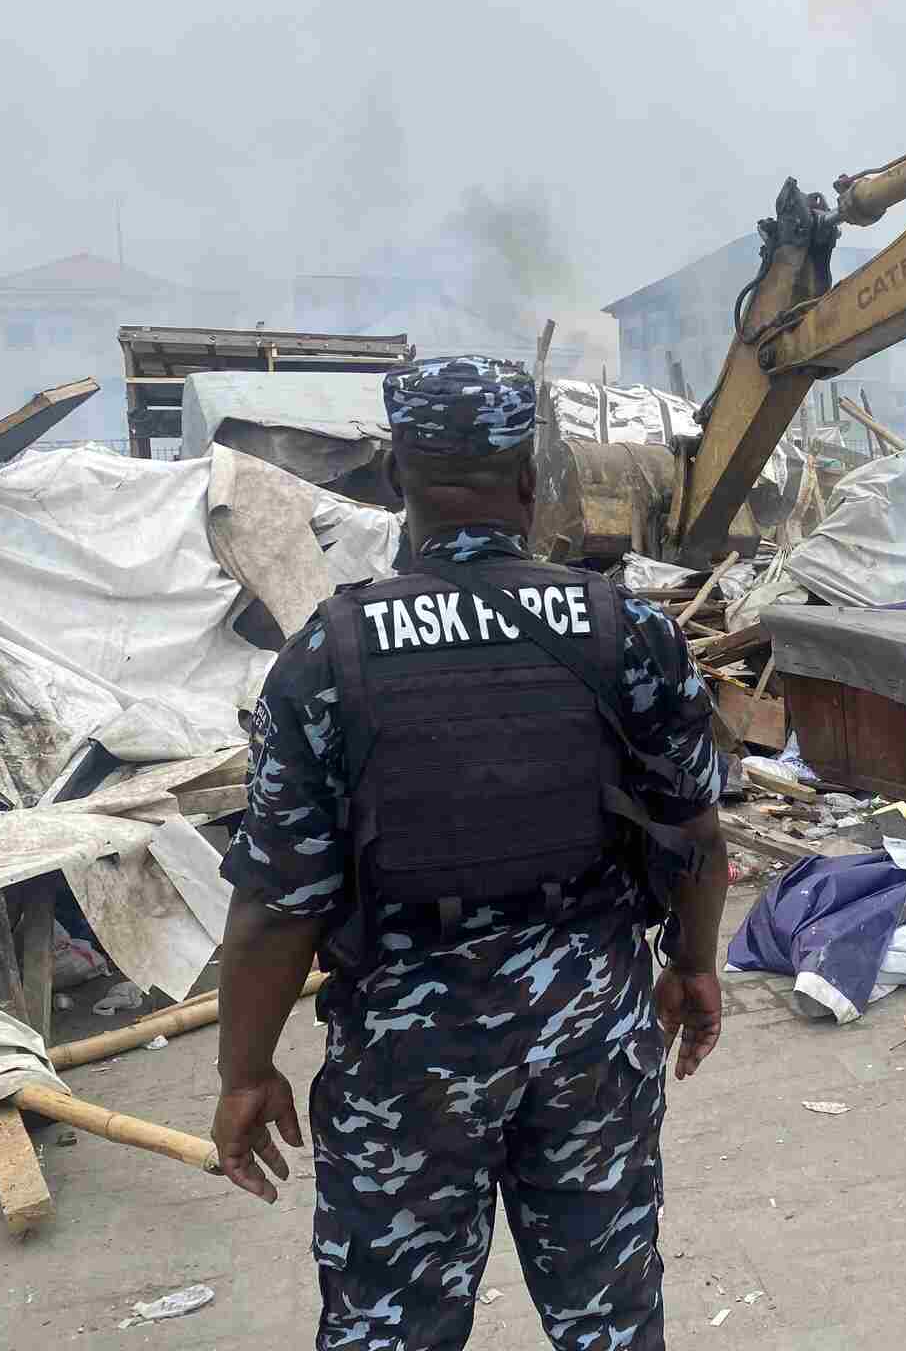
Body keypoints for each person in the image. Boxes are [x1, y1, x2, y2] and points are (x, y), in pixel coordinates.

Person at [210, 354, 729, 1351]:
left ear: (396, 477)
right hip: (591, 1044)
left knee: (390, 1331)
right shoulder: (627, 631)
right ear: (530, 477)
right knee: (610, 1320)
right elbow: (699, 836)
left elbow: (279, 907)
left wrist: (245, 1070)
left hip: (408, 1065)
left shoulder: (328, 658)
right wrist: (693, 965)